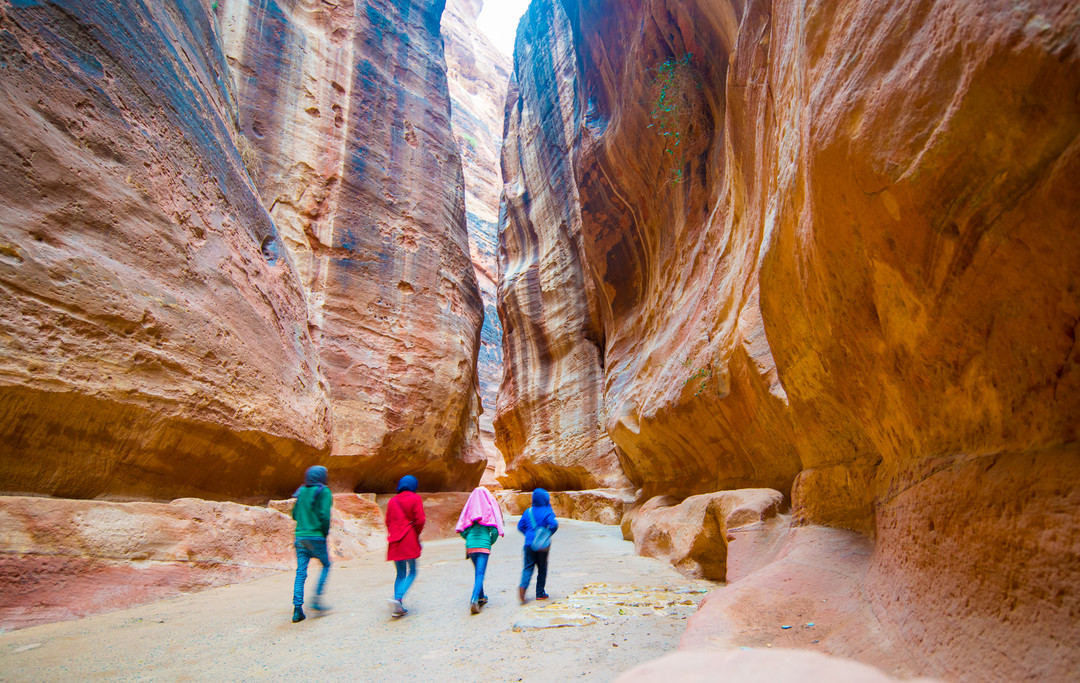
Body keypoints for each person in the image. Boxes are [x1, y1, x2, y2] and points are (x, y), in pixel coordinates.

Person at [291, 465, 333, 623]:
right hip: (316, 536)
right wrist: (324, 532)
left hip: (300, 537)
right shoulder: (324, 491)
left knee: (301, 572)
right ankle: (316, 600)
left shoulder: (301, 491)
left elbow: (294, 514)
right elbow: (324, 515)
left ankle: (297, 609)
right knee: (326, 565)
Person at [455, 486, 504, 614]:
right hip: (484, 546)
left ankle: (481, 597)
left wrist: (468, 539)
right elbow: (494, 531)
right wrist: (489, 542)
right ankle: (474, 599)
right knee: (480, 573)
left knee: (477, 571)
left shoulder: (470, 512)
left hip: (470, 547)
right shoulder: (488, 513)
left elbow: (463, 530)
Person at [385, 474, 425, 618]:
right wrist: (416, 533)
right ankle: (398, 598)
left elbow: (388, 521)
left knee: (400, 573)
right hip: (409, 539)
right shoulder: (415, 498)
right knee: (413, 571)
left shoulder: (392, 501)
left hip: (395, 540)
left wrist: (394, 532)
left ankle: (398, 606)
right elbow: (420, 520)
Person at [517, 487, 558, 603]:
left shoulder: (528, 511)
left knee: (528, 567)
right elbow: (554, 524)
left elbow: (520, 526)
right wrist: (547, 534)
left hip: (529, 544)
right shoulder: (547, 511)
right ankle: (540, 593)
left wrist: (528, 535)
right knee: (542, 569)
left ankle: (523, 587)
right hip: (542, 546)